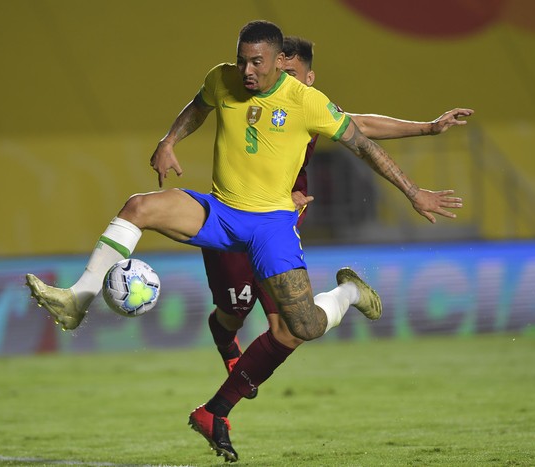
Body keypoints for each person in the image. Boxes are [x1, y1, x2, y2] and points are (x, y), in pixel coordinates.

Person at [25, 21, 463, 462]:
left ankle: (348, 292)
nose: (247, 70)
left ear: (279, 64)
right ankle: (77, 299)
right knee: (138, 207)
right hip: (221, 213)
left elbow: (364, 143)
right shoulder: (223, 79)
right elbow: (199, 105)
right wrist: (170, 140)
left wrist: (414, 191)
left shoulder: (307, 102)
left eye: (257, 62)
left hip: (271, 226)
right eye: (242, 60)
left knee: (303, 328)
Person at [202, 35, 472, 403]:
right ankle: (227, 345)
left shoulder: (307, 105)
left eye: (291, 72)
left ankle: (225, 401)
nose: (282, 77)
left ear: (309, 78)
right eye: (277, 68)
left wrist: (427, 127)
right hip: (237, 217)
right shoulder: (251, 98)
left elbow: (360, 126)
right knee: (232, 313)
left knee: (287, 327)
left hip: (277, 226)